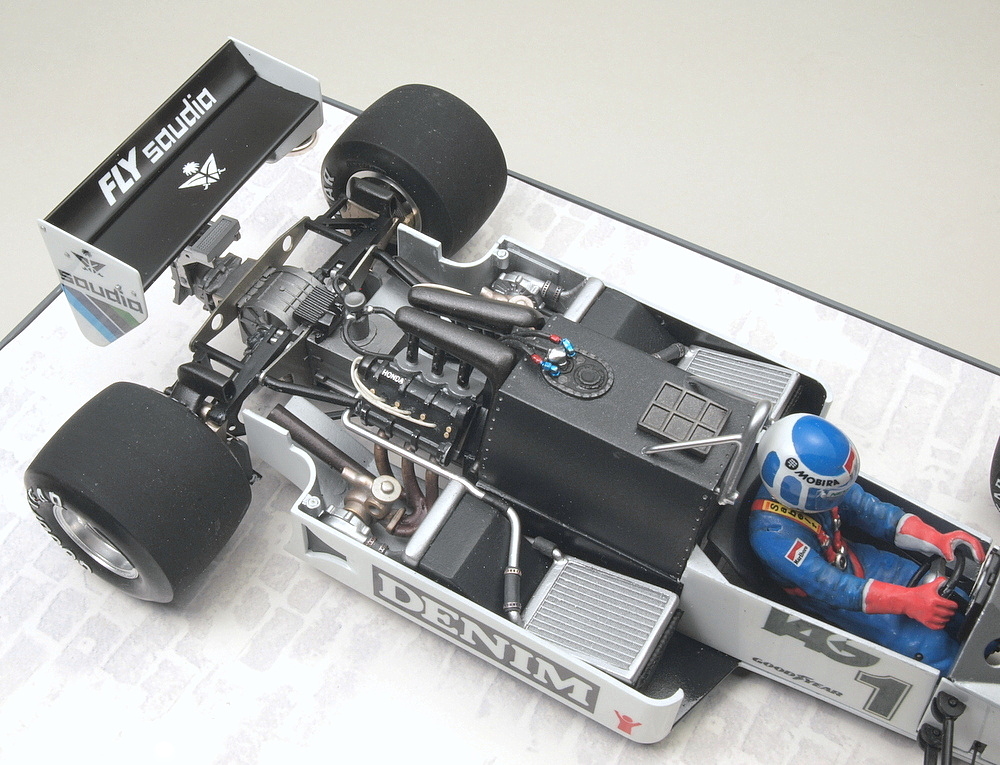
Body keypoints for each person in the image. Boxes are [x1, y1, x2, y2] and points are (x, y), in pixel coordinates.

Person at [749, 413, 984, 673]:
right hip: (840, 597)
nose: (841, 497)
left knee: (955, 596)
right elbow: (830, 586)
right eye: (833, 494)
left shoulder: (822, 485)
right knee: (930, 647)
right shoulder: (772, 536)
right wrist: (907, 601)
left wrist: (937, 539)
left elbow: (875, 513)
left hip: (857, 560)